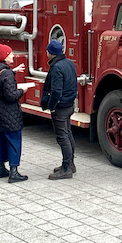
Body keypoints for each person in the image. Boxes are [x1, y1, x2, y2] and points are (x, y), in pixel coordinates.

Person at [0, 43, 32, 183]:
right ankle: (14, 172)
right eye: (10, 53)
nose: (13, 55)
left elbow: (1, 80)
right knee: (14, 140)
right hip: (10, 113)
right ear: (5, 57)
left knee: (0, 139)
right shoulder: (6, 73)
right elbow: (11, 96)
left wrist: (13, 71)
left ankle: (0, 169)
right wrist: (22, 91)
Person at [41, 40, 78, 180]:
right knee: (68, 134)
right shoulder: (69, 63)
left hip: (60, 107)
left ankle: (66, 168)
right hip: (69, 105)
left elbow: (56, 91)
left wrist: (51, 105)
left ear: (51, 53)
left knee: (62, 137)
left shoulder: (56, 67)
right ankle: (71, 164)